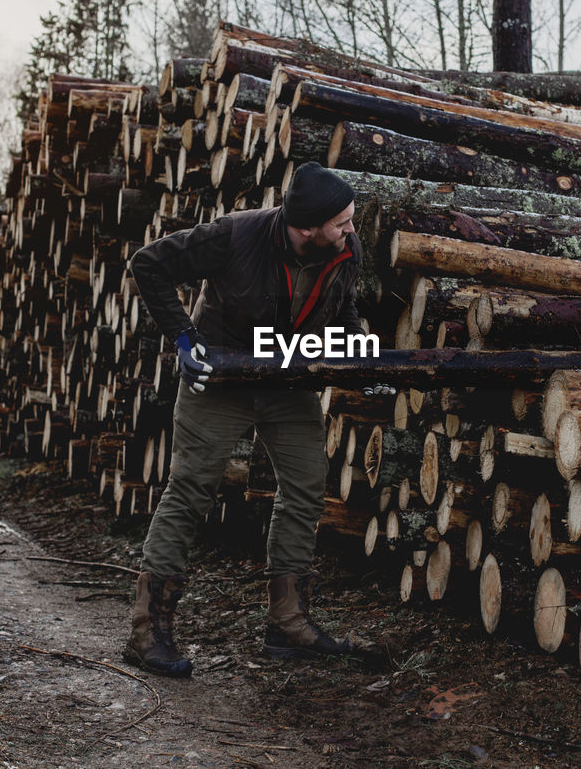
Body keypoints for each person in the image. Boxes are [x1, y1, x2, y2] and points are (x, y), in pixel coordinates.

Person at [122, 163, 385, 677]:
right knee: (191, 486)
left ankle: (288, 624)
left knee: (307, 487)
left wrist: (359, 354)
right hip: (221, 378)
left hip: (289, 382)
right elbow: (147, 263)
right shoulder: (235, 235)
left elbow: (344, 306)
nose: (351, 229)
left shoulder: (344, 249)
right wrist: (182, 337)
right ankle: (147, 630)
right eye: (342, 222)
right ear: (307, 226)